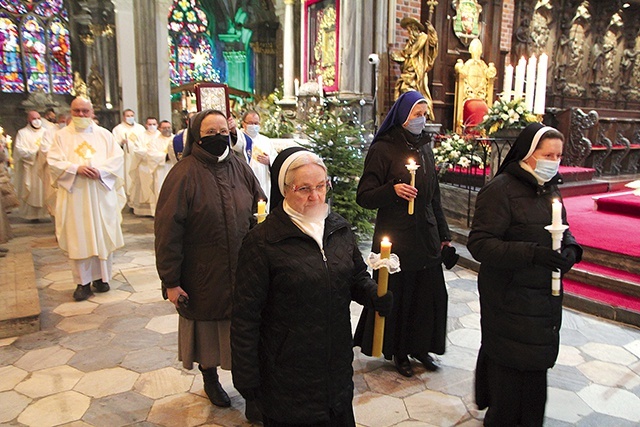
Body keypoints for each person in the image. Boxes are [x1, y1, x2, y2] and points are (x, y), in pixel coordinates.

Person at [232, 149, 393, 425]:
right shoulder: (263, 241)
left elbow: (354, 276)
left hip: (335, 368)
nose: (315, 196)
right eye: (304, 188)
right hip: (288, 376)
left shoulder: (338, 228)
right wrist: (247, 377)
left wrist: (371, 294)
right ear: (284, 189)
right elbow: (245, 317)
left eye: (321, 186)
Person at [467, 123, 582, 426]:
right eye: (548, 155)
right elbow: (480, 244)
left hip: (541, 298)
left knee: (534, 372)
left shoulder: (549, 189)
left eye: (558, 155)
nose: (554, 162)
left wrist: (571, 250)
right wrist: (532, 253)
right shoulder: (500, 189)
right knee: (511, 375)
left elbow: (563, 229)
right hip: (509, 296)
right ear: (529, 154)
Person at [154, 109, 264, 410]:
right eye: (210, 133)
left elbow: (260, 207)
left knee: (246, 331)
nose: (219, 138)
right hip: (203, 270)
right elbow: (167, 232)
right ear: (196, 137)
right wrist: (171, 282)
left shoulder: (240, 167)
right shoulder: (183, 173)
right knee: (207, 332)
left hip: (243, 267)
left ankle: (251, 389)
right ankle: (210, 377)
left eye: (223, 131)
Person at [354, 90, 453, 378]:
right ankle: (399, 351)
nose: (421, 120)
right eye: (416, 114)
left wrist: (444, 234)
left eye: (424, 115)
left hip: (426, 236)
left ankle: (422, 347)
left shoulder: (425, 147)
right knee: (402, 296)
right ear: (402, 115)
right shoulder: (383, 149)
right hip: (396, 238)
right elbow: (365, 195)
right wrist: (392, 190)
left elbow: (434, 196)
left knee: (429, 295)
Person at [47, 97, 126, 302]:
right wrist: (76, 169)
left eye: (85, 111)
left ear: (92, 112)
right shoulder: (61, 136)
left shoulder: (105, 135)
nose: (81, 115)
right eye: (77, 111)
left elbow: (117, 159)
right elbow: (54, 162)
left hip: (100, 193)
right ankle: (82, 283)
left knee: (102, 234)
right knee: (79, 236)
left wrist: (100, 171)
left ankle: (102, 278)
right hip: (75, 195)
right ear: (71, 112)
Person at [391, 17, 438, 120]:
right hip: (408, 72)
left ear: (415, 29)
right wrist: (397, 57)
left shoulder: (423, 38)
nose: (409, 33)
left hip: (418, 73)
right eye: (408, 30)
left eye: (410, 30)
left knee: (415, 94)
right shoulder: (410, 43)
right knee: (403, 89)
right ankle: (406, 115)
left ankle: (421, 114)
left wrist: (431, 31)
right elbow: (405, 54)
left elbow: (432, 44)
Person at [13, 110, 49, 221]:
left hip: (44, 166)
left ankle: (45, 214)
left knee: (44, 190)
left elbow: (51, 146)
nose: (37, 121)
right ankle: (31, 216)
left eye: (38, 118)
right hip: (30, 167)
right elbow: (19, 150)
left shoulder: (46, 132)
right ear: (28, 120)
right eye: (34, 118)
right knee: (31, 190)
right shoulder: (22, 133)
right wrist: (34, 153)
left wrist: (44, 153)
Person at [240, 110, 277, 211]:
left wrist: (269, 160)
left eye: (256, 123)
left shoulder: (266, 140)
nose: (253, 126)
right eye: (250, 123)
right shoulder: (240, 138)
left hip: (263, 180)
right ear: (243, 124)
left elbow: (276, 159)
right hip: (245, 180)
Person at [112, 109, 146, 203]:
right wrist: (121, 142)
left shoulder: (140, 128)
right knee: (127, 176)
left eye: (131, 115)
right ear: (123, 117)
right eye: (128, 116)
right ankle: (128, 198)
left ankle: (136, 198)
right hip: (126, 157)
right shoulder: (118, 129)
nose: (130, 117)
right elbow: (114, 144)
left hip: (138, 158)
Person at [129, 117, 160, 216]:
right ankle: (144, 210)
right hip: (144, 165)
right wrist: (151, 155)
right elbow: (137, 150)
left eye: (154, 124)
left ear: (157, 125)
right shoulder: (141, 136)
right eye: (150, 124)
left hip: (157, 167)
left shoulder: (160, 136)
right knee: (144, 186)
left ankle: (156, 208)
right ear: (146, 125)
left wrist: (154, 156)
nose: (152, 126)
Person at [146, 120, 175, 216]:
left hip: (174, 168)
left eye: (169, 127)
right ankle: (161, 214)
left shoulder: (176, 139)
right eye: (164, 128)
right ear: (160, 129)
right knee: (161, 192)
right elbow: (151, 155)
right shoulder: (154, 141)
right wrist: (166, 156)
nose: (167, 129)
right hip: (161, 171)